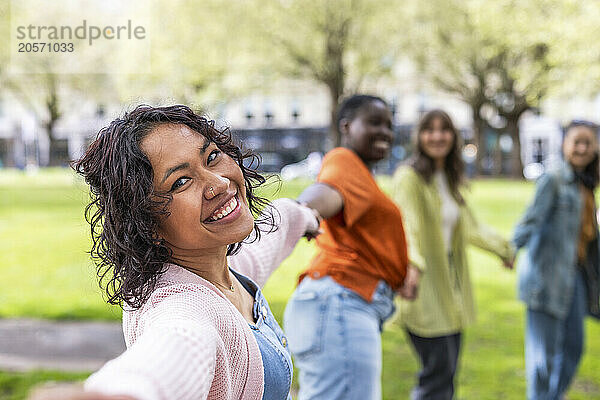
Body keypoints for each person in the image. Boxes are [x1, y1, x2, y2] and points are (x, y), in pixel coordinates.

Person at [33, 105, 320, 400]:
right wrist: (124, 393)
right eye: (181, 182)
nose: (219, 183)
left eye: (211, 157)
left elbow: (269, 237)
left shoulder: (218, 268)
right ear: (146, 223)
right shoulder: (184, 307)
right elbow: (175, 348)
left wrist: (307, 214)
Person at [283, 94, 411, 400]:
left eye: (389, 125)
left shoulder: (363, 175)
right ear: (347, 126)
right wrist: (303, 209)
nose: (385, 132)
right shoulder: (344, 161)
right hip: (340, 302)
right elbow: (326, 191)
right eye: (374, 122)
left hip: (340, 303)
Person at [391, 109, 514, 400]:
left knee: (446, 376)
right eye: (429, 130)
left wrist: (503, 249)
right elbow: (409, 227)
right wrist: (414, 266)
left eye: (444, 129)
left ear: (453, 137)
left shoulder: (447, 177)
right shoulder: (409, 177)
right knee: (436, 375)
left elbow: (470, 226)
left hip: (450, 286)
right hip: (423, 286)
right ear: (419, 137)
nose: (437, 136)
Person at [513, 120, 600, 400]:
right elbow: (530, 219)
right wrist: (511, 248)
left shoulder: (586, 183)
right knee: (543, 359)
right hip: (546, 277)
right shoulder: (553, 179)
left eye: (588, 142)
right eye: (577, 141)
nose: (582, 148)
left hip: (575, 277)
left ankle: (551, 396)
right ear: (565, 144)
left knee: (574, 347)